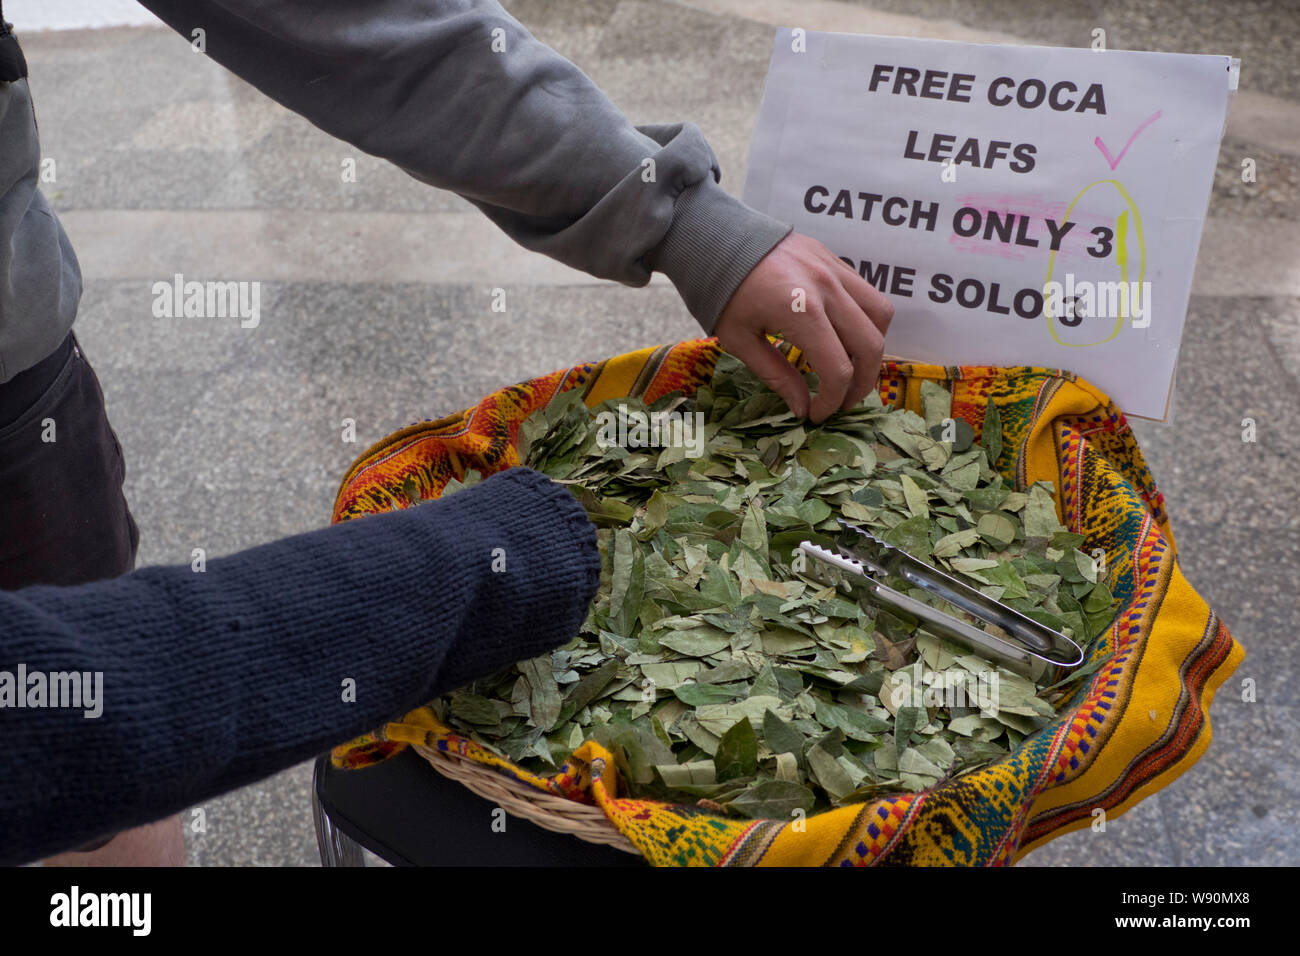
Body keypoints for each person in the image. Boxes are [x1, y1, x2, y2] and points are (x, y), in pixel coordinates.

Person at [0, 0, 891, 864]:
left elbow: (348, 23)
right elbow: (86, 716)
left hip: (15, 393)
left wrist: (682, 222)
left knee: (102, 830)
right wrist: (485, 565)